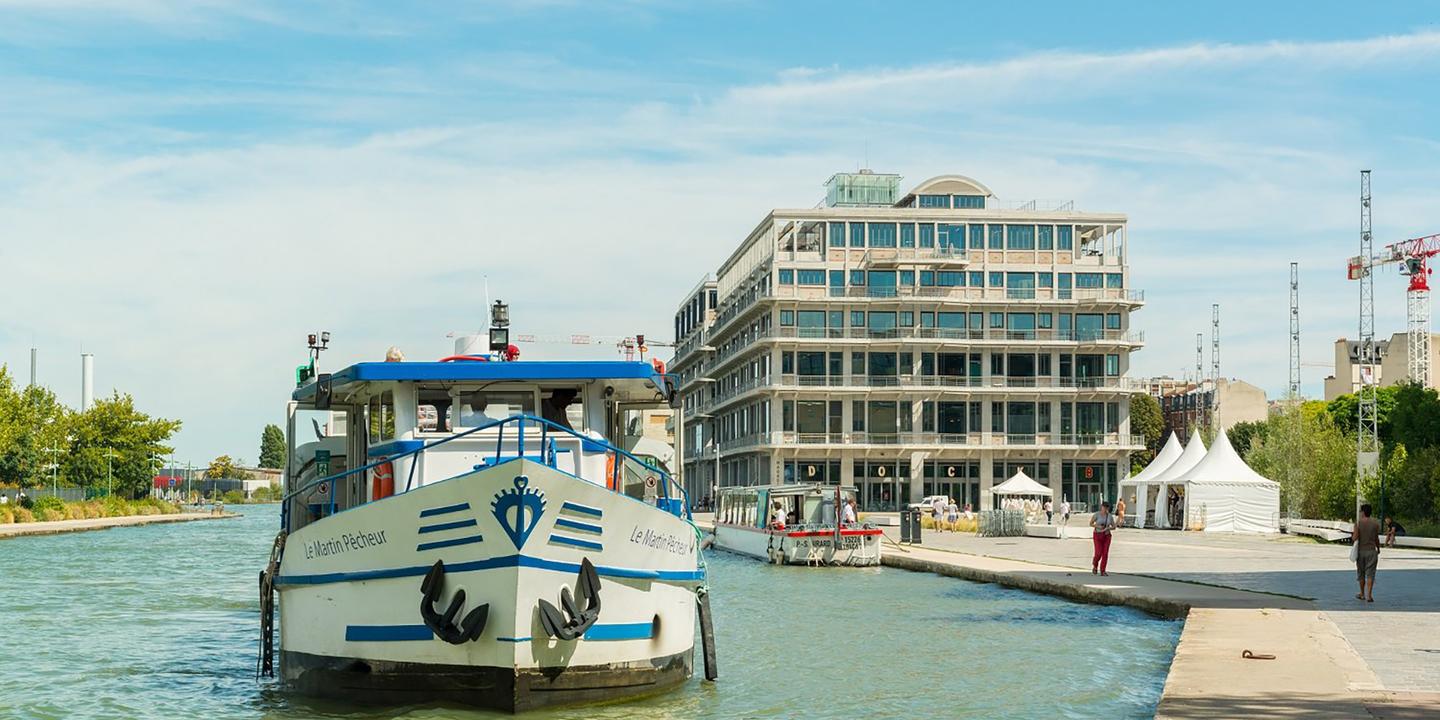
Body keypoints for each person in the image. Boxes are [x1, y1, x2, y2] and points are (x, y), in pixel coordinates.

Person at [1354, 504, 1381, 602]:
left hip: (1361, 552)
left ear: (1363, 512)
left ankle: (1362, 593)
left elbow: (1355, 538)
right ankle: (1369, 595)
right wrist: (1378, 548)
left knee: (1361, 573)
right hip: (1371, 551)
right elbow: (1376, 538)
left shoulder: (1358, 523)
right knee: (1370, 574)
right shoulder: (1375, 524)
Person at [1090, 501, 1116, 576]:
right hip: (1097, 535)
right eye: (1104, 507)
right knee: (1098, 553)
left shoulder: (1110, 516)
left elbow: (1114, 527)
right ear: (1101, 507)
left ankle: (1103, 570)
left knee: (1105, 553)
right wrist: (1098, 526)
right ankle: (1095, 564)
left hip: (1106, 535)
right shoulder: (1097, 515)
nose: (1105, 509)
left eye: (1107, 507)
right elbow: (1091, 523)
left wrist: (1108, 528)